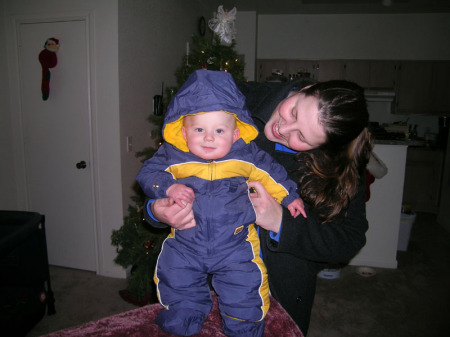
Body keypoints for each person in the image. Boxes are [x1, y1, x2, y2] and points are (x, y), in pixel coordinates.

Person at [144, 75, 373, 335]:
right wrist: (155, 209)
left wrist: (281, 223)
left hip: (281, 294)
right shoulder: (229, 97)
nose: (284, 130)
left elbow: (348, 240)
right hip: (199, 283)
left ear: (324, 148)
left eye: (302, 136)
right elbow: (170, 167)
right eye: (294, 112)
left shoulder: (340, 165)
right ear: (307, 89)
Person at [136, 70, 306, 337]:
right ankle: (184, 316)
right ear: (184, 130)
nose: (208, 138)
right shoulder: (172, 155)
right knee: (176, 278)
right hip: (185, 243)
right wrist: (167, 187)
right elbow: (147, 174)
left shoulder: (247, 155)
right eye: (199, 129)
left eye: (219, 130)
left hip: (236, 244)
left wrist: (289, 196)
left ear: (236, 133)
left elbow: (272, 173)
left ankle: (244, 327)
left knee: (246, 288)